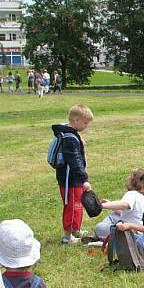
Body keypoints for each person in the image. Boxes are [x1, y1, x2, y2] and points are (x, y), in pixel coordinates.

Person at [52, 104, 93, 244]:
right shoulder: (70, 139)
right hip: (71, 180)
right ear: (76, 120)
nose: (87, 126)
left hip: (71, 179)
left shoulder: (69, 133)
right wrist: (84, 179)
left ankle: (75, 229)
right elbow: (75, 161)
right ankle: (67, 236)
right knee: (73, 206)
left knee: (77, 205)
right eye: (85, 122)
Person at [93, 169, 144, 242]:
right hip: (142, 232)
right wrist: (110, 205)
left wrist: (102, 205)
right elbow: (129, 213)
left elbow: (124, 205)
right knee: (115, 215)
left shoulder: (132, 194)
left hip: (128, 233)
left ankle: (101, 238)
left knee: (99, 227)